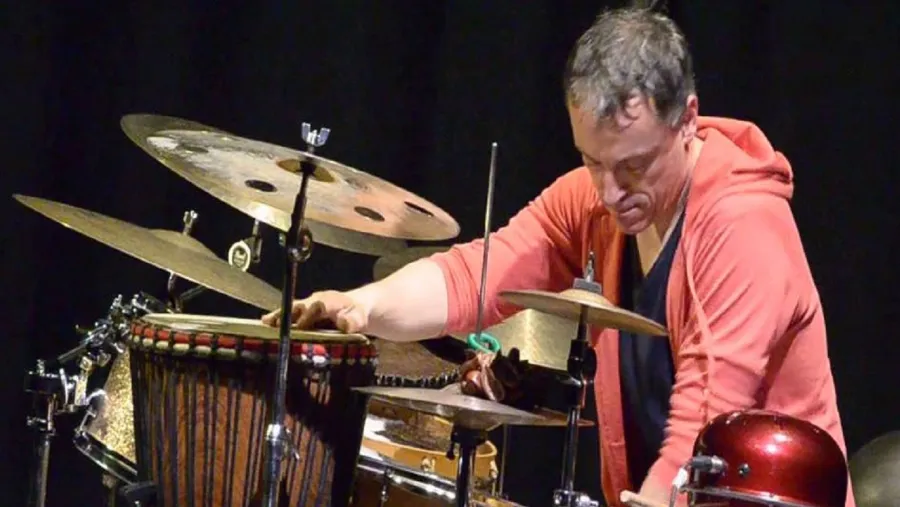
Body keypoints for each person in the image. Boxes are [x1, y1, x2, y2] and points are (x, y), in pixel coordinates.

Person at [263, 7, 856, 507]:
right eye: (593, 162)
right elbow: (477, 275)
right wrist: (361, 306)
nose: (610, 192)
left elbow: (703, 425)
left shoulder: (743, 222)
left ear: (688, 120)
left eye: (633, 166)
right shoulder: (595, 201)